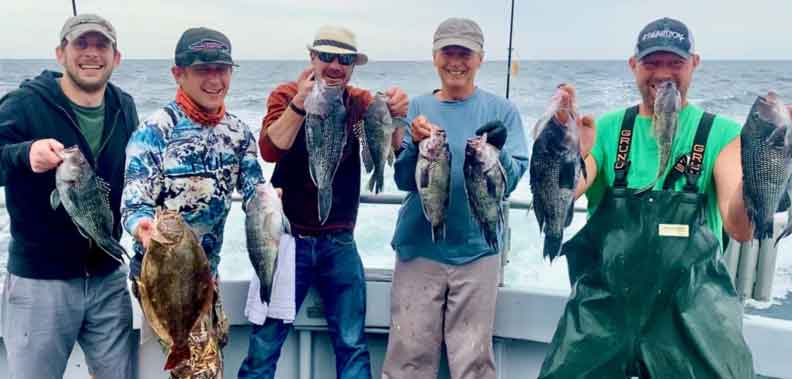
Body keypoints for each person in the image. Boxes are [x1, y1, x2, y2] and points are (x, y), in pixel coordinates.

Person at [538, 17, 755, 379]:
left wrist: (767, 162)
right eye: (652, 62)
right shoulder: (607, 129)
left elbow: (739, 227)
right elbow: (563, 195)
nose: (663, 73)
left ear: (695, 64)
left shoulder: (724, 134)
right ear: (633, 65)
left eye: (676, 63)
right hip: (603, 311)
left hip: (691, 314)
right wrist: (563, 150)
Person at [237, 25, 408, 379]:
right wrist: (300, 102)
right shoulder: (286, 94)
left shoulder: (359, 103)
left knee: (351, 343)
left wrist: (397, 113)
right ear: (312, 57)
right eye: (326, 56)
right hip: (287, 239)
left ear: (352, 66)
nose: (335, 65)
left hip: (340, 241)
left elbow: (389, 147)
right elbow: (270, 149)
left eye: (344, 59)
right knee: (265, 343)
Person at [382, 18, 529, 379]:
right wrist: (413, 145)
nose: (456, 62)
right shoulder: (415, 109)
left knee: (473, 360)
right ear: (435, 58)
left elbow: (509, 182)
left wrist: (499, 151)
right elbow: (404, 180)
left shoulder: (502, 111)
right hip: (419, 248)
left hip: (478, 251)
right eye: (448, 52)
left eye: (465, 53)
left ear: (480, 58)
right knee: (409, 357)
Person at [121, 27, 264, 379]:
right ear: (178, 74)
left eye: (222, 69)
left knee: (211, 353)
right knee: (200, 370)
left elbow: (253, 189)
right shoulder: (154, 131)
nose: (214, 79)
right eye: (203, 70)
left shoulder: (238, 133)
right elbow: (133, 200)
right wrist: (142, 225)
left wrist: (267, 202)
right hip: (163, 278)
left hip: (205, 276)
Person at [0, 14, 137, 379]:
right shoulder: (25, 103)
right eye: (81, 44)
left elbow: (137, 179)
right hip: (41, 283)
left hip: (109, 278)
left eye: (101, 45)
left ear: (116, 57)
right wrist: (24, 154)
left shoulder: (125, 107)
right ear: (61, 54)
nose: (91, 54)